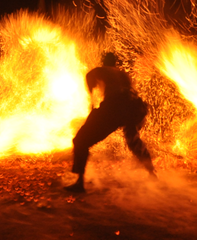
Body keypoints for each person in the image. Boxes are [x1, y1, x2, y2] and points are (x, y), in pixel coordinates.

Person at [65, 53, 156, 193]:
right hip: (136, 108)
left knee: (81, 140)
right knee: (133, 140)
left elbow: (89, 77)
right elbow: (130, 92)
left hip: (115, 107)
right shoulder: (124, 74)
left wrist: (92, 101)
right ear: (115, 63)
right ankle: (152, 174)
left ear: (104, 62)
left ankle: (80, 182)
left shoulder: (101, 70)